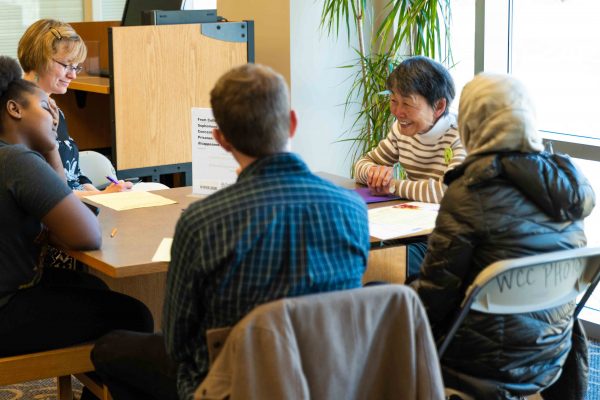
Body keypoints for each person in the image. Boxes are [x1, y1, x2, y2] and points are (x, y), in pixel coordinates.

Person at [90, 63, 371, 400]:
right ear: (292, 122)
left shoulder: (204, 219)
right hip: (328, 378)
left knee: (109, 348)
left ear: (220, 139)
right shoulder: (352, 208)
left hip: (232, 383)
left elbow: (178, 341)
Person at [410, 73, 595, 399]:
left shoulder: (470, 190)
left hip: (481, 361)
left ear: (469, 123)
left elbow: (437, 295)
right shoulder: (567, 185)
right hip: (552, 350)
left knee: (387, 297)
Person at [0, 56, 154, 397]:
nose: (55, 117)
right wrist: (52, 148)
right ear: (15, 109)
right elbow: (85, 234)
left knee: (94, 290)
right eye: (45, 106)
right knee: (135, 316)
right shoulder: (17, 160)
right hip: (7, 309)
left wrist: (51, 148)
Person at [354, 56, 466, 277]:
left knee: (380, 263)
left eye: (407, 103)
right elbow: (361, 164)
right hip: (412, 228)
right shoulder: (401, 129)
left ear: (439, 106)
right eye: (393, 101)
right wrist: (374, 173)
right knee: (358, 248)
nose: (397, 112)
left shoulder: (461, 132)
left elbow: (448, 190)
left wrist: (392, 186)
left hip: (450, 237)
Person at [18, 19, 131, 195]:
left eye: (76, 67)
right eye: (66, 65)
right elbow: (42, 192)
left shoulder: (55, 111)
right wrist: (102, 197)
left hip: (77, 205)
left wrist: (104, 195)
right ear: (39, 58)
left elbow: (75, 176)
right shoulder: (18, 114)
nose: (72, 75)